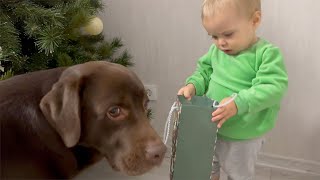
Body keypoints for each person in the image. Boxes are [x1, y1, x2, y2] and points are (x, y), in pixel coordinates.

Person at [177, 0, 288, 179]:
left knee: (238, 174)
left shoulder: (266, 54)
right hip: (210, 126)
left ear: (255, 20)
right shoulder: (216, 52)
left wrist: (238, 103)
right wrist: (193, 86)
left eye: (228, 34)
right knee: (206, 168)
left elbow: (273, 88)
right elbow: (204, 72)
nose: (220, 43)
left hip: (242, 136)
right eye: (213, 36)